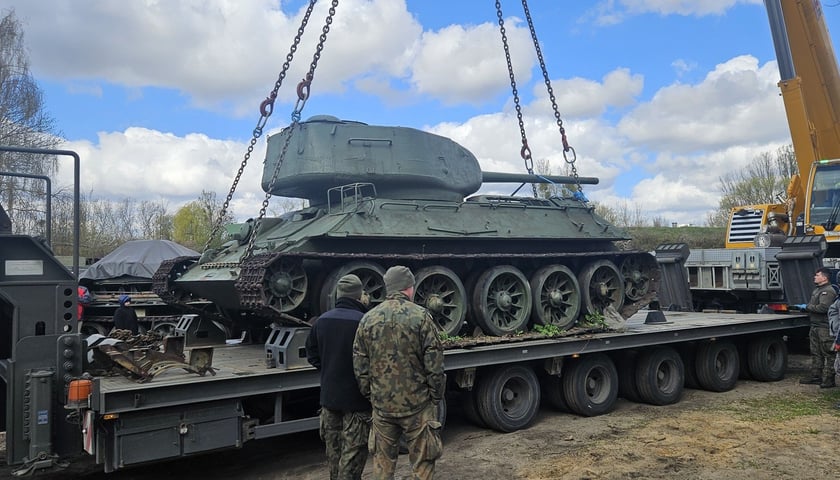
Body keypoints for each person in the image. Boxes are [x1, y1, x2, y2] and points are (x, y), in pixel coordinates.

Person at [353, 265, 445, 480]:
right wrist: (435, 396)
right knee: (423, 463)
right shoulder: (421, 317)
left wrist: (372, 395)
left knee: (382, 464)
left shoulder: (367, 319)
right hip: (417, 404)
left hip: (383, 405)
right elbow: (435, 364)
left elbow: (360, 365)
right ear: (409, 288)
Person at [306, 274, 372, 480]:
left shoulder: (322, 321)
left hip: (329, 399)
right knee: (352, 457)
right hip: (357, 402)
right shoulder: (365, 322)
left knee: (334, 455)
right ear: (359, 296)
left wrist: (330, 368)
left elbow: (312, 355)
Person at [794, 267, 837, 388]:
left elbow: (823, 308)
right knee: (815, 353)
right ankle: (816, 376)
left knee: (828, 353)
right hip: (815, 326)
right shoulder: (817, 290)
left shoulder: (828, 291)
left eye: (817, 275)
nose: (815, 277)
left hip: (824, 327)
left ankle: (829, 379)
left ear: (824, 277)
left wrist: (806, 307)